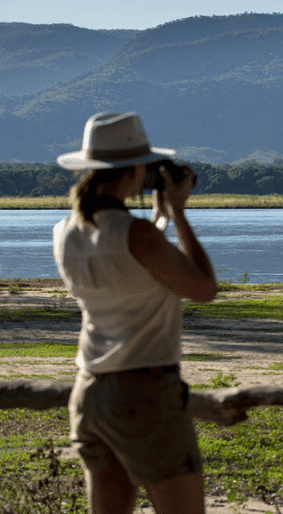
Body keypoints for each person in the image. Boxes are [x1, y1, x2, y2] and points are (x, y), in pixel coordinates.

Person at [53, 112, 218, 514]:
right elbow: (204, 289)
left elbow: (128, 262)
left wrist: (158, 217)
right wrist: (178, 213)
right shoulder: (138, 234)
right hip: (144, 393)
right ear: (132, 174)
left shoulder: (66, 231)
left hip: (91, 390)